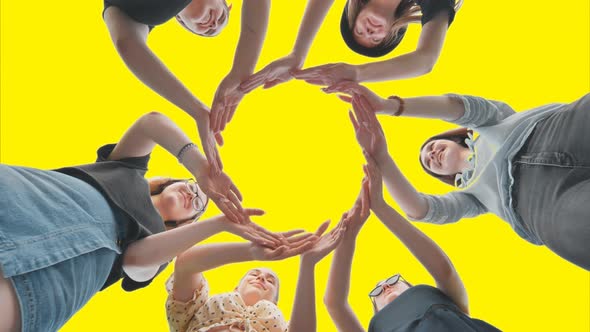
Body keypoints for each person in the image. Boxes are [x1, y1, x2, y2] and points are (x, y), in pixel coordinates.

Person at [0, 111, 300, 332]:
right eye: (192, 188)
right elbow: (152, 123)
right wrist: (200, 169)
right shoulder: (125, 169)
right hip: (29, 201)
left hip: (55, 284)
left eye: (198, 207)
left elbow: (134, 258)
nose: (195, 194)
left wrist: (221, 222)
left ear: (185, 224)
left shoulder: (159, 251)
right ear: (166, 182)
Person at [324, 81, 590, 270]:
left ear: (453, 137)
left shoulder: (493, 121)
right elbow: (419, 210)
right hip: (538, 205)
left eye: (430, 147)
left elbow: (455, 106)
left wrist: (389, 106)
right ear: (445, 176)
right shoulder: (472, 198)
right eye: (429, 163)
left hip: (550, 133)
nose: (431, 154)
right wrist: (381, 157)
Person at [229, 0, 462, 135]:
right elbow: (425, 60)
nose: (369, 32)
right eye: (375, 39)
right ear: (392, 31)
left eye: (359, 31)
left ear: (355, 12)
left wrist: (297, 54)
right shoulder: (434, 3)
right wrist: (357, 74)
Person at [324, 158, 499, 331]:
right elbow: (334, 304)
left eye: (393, 281)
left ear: (413, 288)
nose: (385, 287)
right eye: (377, 292)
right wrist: (348, 236)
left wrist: (381, 208)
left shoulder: (447, 301)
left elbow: (443, 269)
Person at [103, 0, 272, 172]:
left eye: (208, 32)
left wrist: (197, 110)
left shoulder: (140, 15)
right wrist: (241, 71)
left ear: (181, 21)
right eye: (221, 17)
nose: (213, 24)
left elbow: (127, 44)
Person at [166, 219, 346, 331]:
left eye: (270, 281)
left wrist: (307, 265)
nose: (261, 279)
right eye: (254, 274)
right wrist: (252, 251)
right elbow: (185, 265)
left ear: (274, 302)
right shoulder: (198, 308)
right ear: (236, 288)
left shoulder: (281, 326)